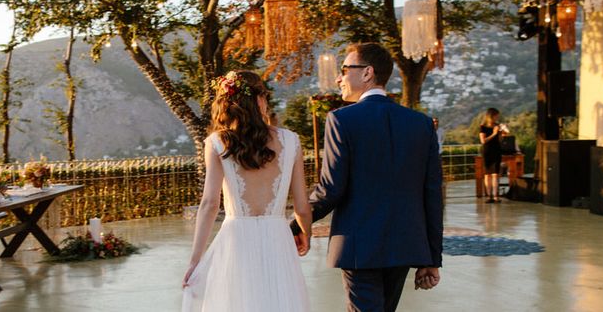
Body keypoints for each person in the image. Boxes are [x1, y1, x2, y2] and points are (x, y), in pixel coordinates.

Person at [292, 42, 442, 312]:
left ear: (367, 73)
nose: (339, 77)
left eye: (345, 69)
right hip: (406, 244)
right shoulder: (421, 124)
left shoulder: (341, 120)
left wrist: (294, 225)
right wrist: (431, 258)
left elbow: (330, 189)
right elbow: (431, 195)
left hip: (359, 244)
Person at [181, 70, 312, 312]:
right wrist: (306, 233)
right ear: (259, 100)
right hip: (278, 237)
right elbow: (302, 207)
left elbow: (210, 204)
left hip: (236, 238)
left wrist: (195, 260)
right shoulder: (291, 141)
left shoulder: (217, 143)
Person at [479, 107, 508, 203]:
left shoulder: (497, 126)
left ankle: (496, 196)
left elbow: (499, 140)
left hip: (496, 151)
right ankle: (489, 196)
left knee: (495, 174)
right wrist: (494, 133)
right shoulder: (483, 127)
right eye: (496, 116)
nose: (497, 118)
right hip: (487, 151)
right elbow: (483, 141)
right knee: (488, 175)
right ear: (491, 116)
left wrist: (502, 135)